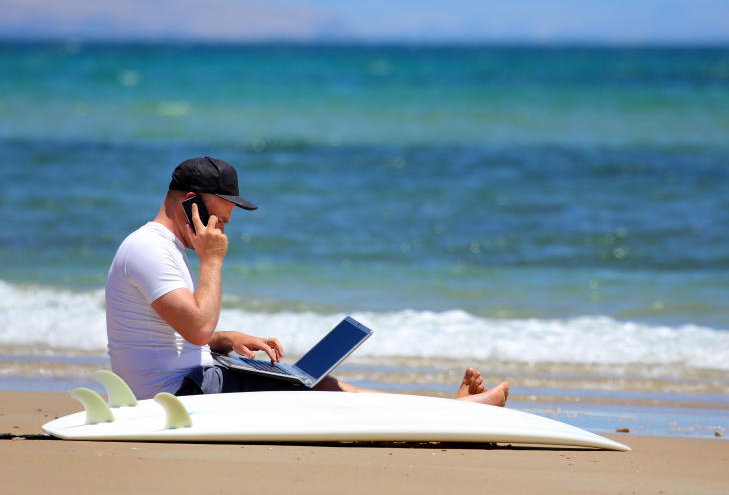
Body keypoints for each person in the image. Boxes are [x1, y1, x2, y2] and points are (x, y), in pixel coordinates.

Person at [105, 156, 509, 406]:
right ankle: (449, 414)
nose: (222, 232)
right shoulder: (151, 249)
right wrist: (212, 261)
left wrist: (226, 339)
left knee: (316, 382)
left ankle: (442, 411)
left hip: (192, 381)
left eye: (225, 224)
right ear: (189, 201)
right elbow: (195, 327)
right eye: (218, 219)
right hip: (180, 397)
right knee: (321, 393)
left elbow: (167, 336)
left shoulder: (163, 248)